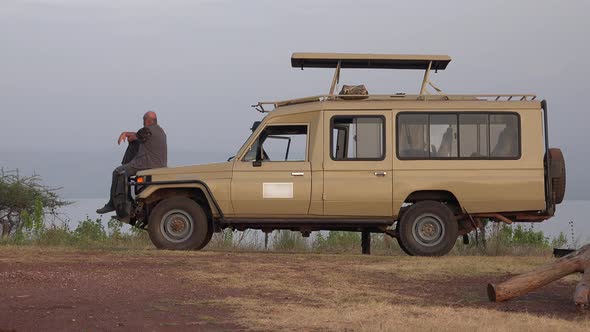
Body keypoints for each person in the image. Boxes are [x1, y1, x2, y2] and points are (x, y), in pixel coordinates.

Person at [96, 111, 167, 214]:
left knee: (118, 172)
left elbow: (133, 137)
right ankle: (128, 199)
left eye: (143, 121)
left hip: (146, 164)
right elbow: (138, 136)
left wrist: (124, 133)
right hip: (159, 164)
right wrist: (129, 135)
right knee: (135, 144)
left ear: (146, 121)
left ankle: (112, 204)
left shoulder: (147, 130)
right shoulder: (161, 131)